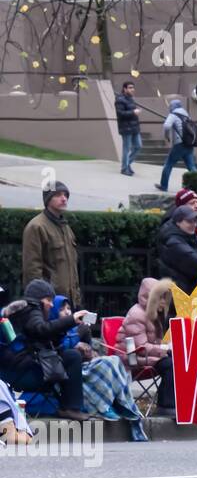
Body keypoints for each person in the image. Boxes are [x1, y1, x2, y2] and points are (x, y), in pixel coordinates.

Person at [49, 297, 144, 432]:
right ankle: (104, 406)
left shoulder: (74, 328)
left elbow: (89, 348)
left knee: (113, 360)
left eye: (68, 308)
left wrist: (87, 345)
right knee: (106, 365)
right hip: (66, 372)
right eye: (61, 309)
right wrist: (76, 340)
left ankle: (116, 403)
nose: (66, 312)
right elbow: (59, 349)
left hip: (83, 365)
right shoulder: (53, 329)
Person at [0, 279, 90, 420]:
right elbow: (41, 330)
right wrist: (71, 320)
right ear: (38, 299)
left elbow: (40, 335)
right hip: (25, 373)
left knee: (69, 355)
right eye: (49, 300)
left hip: (12, 372)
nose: (51, 304)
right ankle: (70, 407)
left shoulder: (21, 312)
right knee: (72, 356)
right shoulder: (31, 309)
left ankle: (68, 407)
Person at [119, 277, 177, 415]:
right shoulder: (136, 314)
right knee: (171, 365)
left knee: (179, 359)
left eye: (165, 298)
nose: (164, 302)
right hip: (131, 357)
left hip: (147, 355)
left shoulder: (155, 314)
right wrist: (165, 349)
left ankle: (176, 402)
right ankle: (165, 406)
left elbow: (155, 342)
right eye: (161, 298)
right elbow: (141, 346)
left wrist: (168, 346)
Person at [22, 180, 81, 304]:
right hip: (49, 302)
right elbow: (32, 269)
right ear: (48, 199)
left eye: (65, 195)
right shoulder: (36, 227)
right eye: (58, 195)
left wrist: (76, 298)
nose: (64, 198)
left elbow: (72, 268)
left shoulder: (65, 227)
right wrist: (40, 300)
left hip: (68, 303)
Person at [157, 206, 197, 306]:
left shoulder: (188, 238)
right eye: (189, 221)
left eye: (195, 221)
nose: (194, 224)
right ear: (178, 222)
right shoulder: (174, 243)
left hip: (192, 300)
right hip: (184, 302)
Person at [157, 98, 197, 192]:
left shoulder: (173, 114)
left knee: (168, 164)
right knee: (191, 166)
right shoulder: (186, 115)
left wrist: (166, 136)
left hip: (179, 144)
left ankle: (164, 186)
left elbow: (167, 125)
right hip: (189, 143)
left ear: (172, 106)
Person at [115, 80, 143, 176]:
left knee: (138, 146)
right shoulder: (120, 99)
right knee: (126, 149)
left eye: (133, 87)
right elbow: (120, 114)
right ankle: (124, 168)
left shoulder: (131, 99)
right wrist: (133, 112)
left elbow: (131, 111)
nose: (132, 89)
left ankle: (127, 164)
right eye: (130, 88)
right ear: (124, 89)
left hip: (134, 127)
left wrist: (136, 112)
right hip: (126, 128)